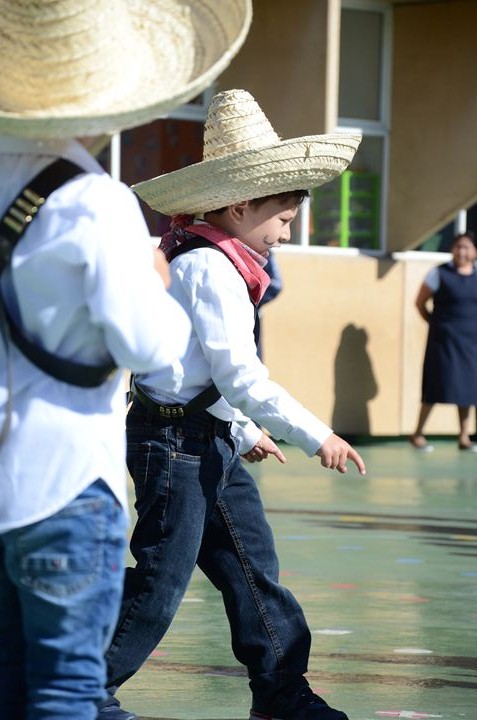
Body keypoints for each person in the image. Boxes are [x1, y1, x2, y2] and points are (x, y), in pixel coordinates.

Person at [0, 2, 252, 718]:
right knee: (67, 692)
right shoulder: (94, 200)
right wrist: (158, 283)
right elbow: (149, 346)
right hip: (65, 481)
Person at [100, 89, 364, 720]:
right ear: (241, 204)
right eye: (281, 218)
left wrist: (242, 431)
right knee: (161, 580)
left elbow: (199, 371)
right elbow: (239, 375)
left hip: (201, 436)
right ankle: (70, 687)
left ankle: (281, 692)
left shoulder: (212, 257)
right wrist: (315, 434)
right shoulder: (211, 269)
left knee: (252, 567)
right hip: (175, 445)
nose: (286, 232)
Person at [409, 231, 477, 452]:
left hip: (470, 341)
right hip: (443, 340)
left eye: (466, 247)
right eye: (458, 246)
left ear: (474, 251)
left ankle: (464, 437)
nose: (462, 251)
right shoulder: (438, 273)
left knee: (468, 388)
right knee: (436, 384)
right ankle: (418, 433)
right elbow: (420, 302)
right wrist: (434, 322)